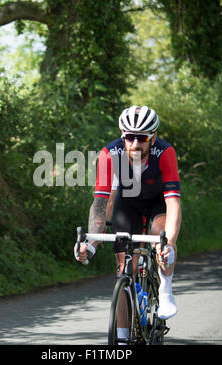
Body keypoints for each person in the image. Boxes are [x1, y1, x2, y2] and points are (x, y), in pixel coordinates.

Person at [74, 105, 182, 340]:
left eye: (142, 138)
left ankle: (165, 288)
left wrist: (169, 242)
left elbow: (173, 203)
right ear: (123, 136)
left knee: (159, 233)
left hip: (158, 203)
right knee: (125, 269)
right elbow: (100, 204)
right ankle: (122, 340)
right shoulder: (109, 154)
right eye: (129, 137)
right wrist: (90, 243)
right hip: (129, 203)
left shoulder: (165, 153)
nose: (135, 144)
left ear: (152, 138)